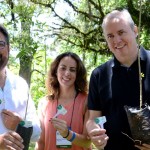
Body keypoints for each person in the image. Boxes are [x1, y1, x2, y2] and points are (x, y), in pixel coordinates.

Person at [86, 9, 150, 150]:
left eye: (121, 32)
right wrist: (94, 132)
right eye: (110, 36)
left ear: (135, 30)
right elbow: (93, 119)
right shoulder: (99, 75)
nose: (117, 40)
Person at [35, 52, 91, 150]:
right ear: (56, 71)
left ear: (77, 74)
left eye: (72, 70)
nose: (67, 73)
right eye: (63, 68)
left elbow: (87, 142)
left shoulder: (86, 101)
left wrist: (68, 134)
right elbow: (41, 142)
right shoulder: (44, 103)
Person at [0, 24, 41, 149]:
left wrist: (20, 124)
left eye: (0, 44)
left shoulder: (20, 84)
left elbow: (37, 133)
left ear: (9, 48)